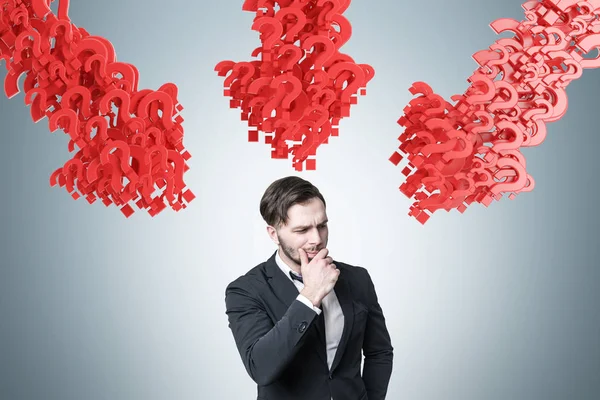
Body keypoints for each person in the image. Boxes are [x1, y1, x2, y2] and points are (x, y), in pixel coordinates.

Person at [225, 176, 393, 400]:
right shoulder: (246, 290)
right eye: (302, 230)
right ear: (274, 234)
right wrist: (310, 294)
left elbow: (379, 351)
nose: (316, 239)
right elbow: (261, 368)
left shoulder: (357, 278)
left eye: (322, 226)